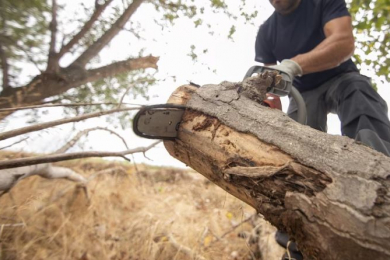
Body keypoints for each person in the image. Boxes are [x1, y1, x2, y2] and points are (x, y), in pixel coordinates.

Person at [254, 0, 390, 259]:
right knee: (292, 150)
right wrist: (269, 112)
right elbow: (271, 81)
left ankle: (382, 180)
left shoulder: (324, 3)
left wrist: (294, 64)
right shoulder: (266, 32)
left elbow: (343, 41)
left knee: (359, 95)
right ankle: (299, 238)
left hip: (341, 76)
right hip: (302, 93)